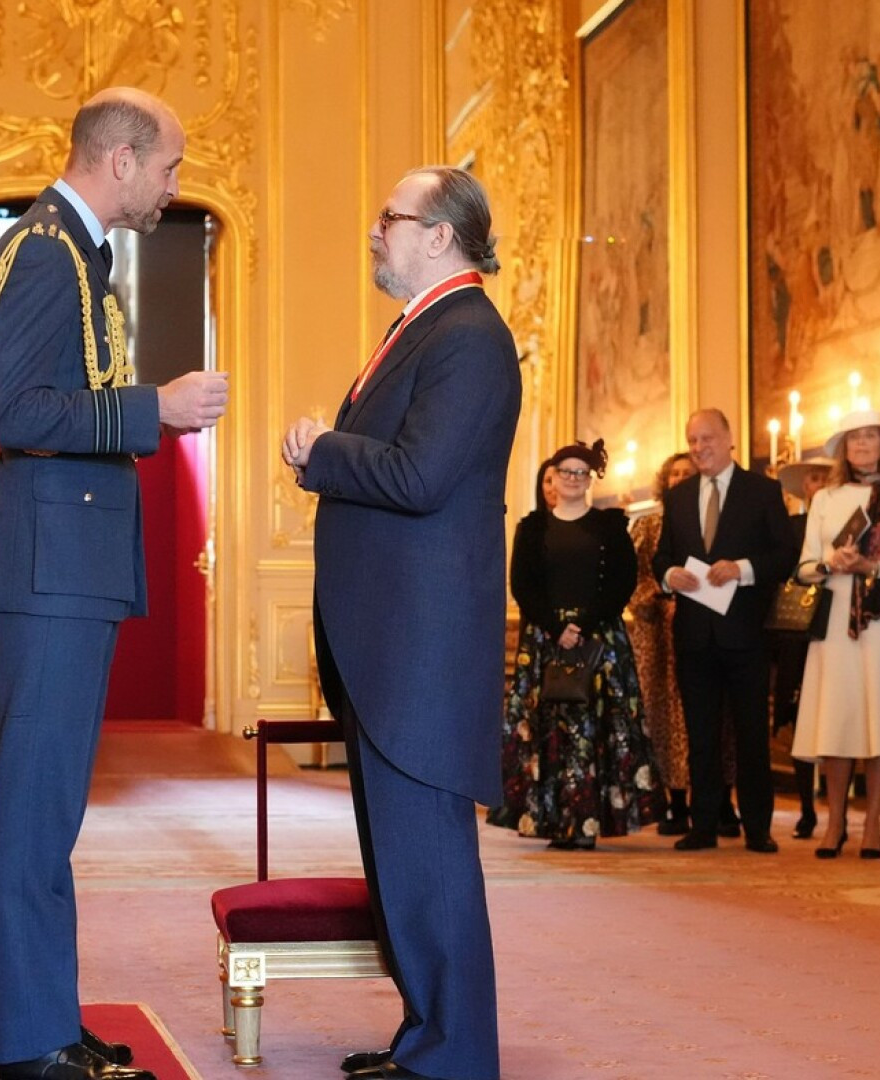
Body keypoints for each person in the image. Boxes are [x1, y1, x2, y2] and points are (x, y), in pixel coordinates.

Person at [0, 86, 228, 1080]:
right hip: (51, 568)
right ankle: (30, 1043)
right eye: (167, 166)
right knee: (32, 812)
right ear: (120, 160)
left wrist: (146, 413)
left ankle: (47, 1021)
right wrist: (152, 408)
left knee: (50, 814)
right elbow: (14, 409)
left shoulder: (74, 250)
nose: (172, 185)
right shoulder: (44, 250)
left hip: (65, 563)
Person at [282, 164, 518, 1080]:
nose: (376, 231)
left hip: (420, 644)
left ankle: (454, 1054)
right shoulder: (423, 327)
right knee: (401, 862)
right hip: (390, 637)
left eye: (391, 217)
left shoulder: (470, 336)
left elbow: (420, 477)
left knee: (428, 854)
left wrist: (323, 449)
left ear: (440, 234)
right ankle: (428, 1040)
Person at [491, 441, 653, 850]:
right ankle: (553, 822)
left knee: (595, 732)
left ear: (590, 479)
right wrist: (556, 627)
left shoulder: (610, 527)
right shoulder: (532, 528)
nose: (573, 479)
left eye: (581, 472)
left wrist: (582, 625)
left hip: (598, 640)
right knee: (549, 732)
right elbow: (522, 584)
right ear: (554, 476)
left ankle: (587, 822)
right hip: (545, 640)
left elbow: (623, 582)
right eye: (566, 471)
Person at [650, 408, 794, 853]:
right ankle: (704, 825)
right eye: (692, 440)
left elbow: (785, 555)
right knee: (702, 736)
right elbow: (661, 557)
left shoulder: (763, 491)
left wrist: (742, 569)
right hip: (694, 636)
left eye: (707, 439)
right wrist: (669, 575)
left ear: (729, 438)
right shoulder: (678, 498)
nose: (699, 448)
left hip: (746, 635)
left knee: (752, 736)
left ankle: (758, 828)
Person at [790, 411, 880, 858]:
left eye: (871, 437)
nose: (863, 444)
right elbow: (804, 567)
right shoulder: (825, 499)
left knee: (877, 715)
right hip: (834, 619)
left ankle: (872, 823)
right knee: (838, 717)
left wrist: (871, 566)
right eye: (855, 438)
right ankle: (835, 822)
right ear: (844, 449)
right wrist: (830, 563)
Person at [627, 452, 697, 834]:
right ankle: (673, 802)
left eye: (689, 473)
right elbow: (632, 577)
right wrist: (658, 599)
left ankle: (715, 801)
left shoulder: (708, 520)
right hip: (657, 638)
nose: (682, 479)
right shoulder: (649, 524)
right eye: (676, 474)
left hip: (702, 628)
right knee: (663, 720)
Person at [772, 457, 834, 839]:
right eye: (814, 478)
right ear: (805, 487)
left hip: (839, 627)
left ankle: (837, 809)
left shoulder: (846, 524)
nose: (820, 483)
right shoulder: (791, 527)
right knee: (799, 719)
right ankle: (807, 810)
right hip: (797, 634)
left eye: (826, 477)